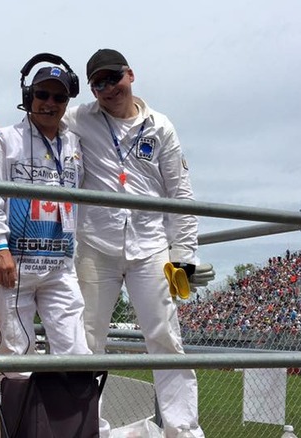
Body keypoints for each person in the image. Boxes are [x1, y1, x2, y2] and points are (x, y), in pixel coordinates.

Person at [64, 48, 205, 438]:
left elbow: (180, 194)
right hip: (95, 246)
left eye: (114, 78)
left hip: (151, 249)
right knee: (88, 339)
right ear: (91, 89)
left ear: (131, 74)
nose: (108, 89)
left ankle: (183, 428)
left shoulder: (161, 126)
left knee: (164, 337)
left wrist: (185, 257)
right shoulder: (79, 119)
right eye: (98, 83)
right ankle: (90, 428)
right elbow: (41, 113)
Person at [0, 64, 91, 367]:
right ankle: (19, 416)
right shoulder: (6, 139)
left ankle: (64, 416)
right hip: (13, 268)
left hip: (60, 268)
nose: (50, 103)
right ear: (28, 96)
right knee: (16, 356)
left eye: (59, 98)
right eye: (42, 94)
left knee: (76, 355)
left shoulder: (75, 143)